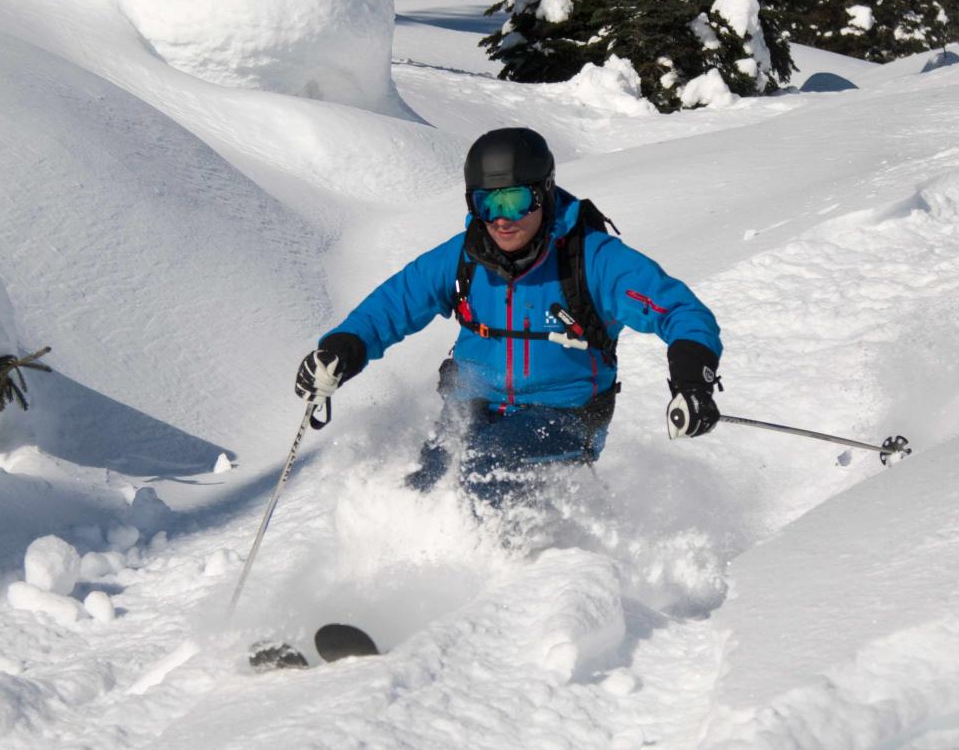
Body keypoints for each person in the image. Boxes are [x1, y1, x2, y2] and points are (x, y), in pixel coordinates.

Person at [295, 127, 723, 500]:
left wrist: (692, 382)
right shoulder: (463, 257)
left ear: (544, 193)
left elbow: (681, 311)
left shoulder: (593, 259)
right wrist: (341, 350)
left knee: (485, 468)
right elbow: (394, 304)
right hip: (470, 407)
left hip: (564, 416)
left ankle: (525, 565)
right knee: (421, 488)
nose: (501, 220)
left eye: (515, 201)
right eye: (487, 204)